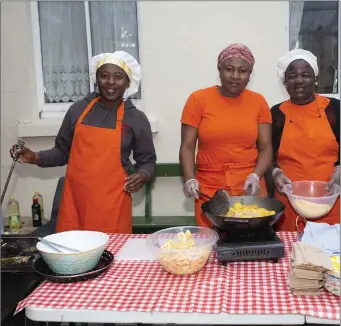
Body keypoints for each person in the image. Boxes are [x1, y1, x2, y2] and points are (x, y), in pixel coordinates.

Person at [10, 51, 156, 234]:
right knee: (74, 257)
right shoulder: (77, 110)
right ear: (96, 79)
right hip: (75, 204)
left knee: (111, 255)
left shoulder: (136, 118)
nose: (110, 82)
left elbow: (148, 161)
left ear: (128, 82)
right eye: (104, 76)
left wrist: (142, 174)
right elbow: (62, 152)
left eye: (118, 77)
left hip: (112, 205)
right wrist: (35, 157)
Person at [179, 43, 273, 227]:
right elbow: (187, 146)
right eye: (229, 69)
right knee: (211, 244)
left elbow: (266, 147)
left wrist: (256, 175)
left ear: (250, 74)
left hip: (248, 188)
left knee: (248, 244)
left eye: (242, 71)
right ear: (219, 70)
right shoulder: (198, 100)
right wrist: (190, 177)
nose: (235, 76)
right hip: (209, 190)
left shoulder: (258, 102)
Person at [270, 49, 340, 231]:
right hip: (290, 206)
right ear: (284, 82)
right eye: (292, 76)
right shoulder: (276, 114)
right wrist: (275, 172)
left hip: (331, 202)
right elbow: (267, 155)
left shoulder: (334, 109)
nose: (299, 80)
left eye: (306, 75)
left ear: (315, 79)